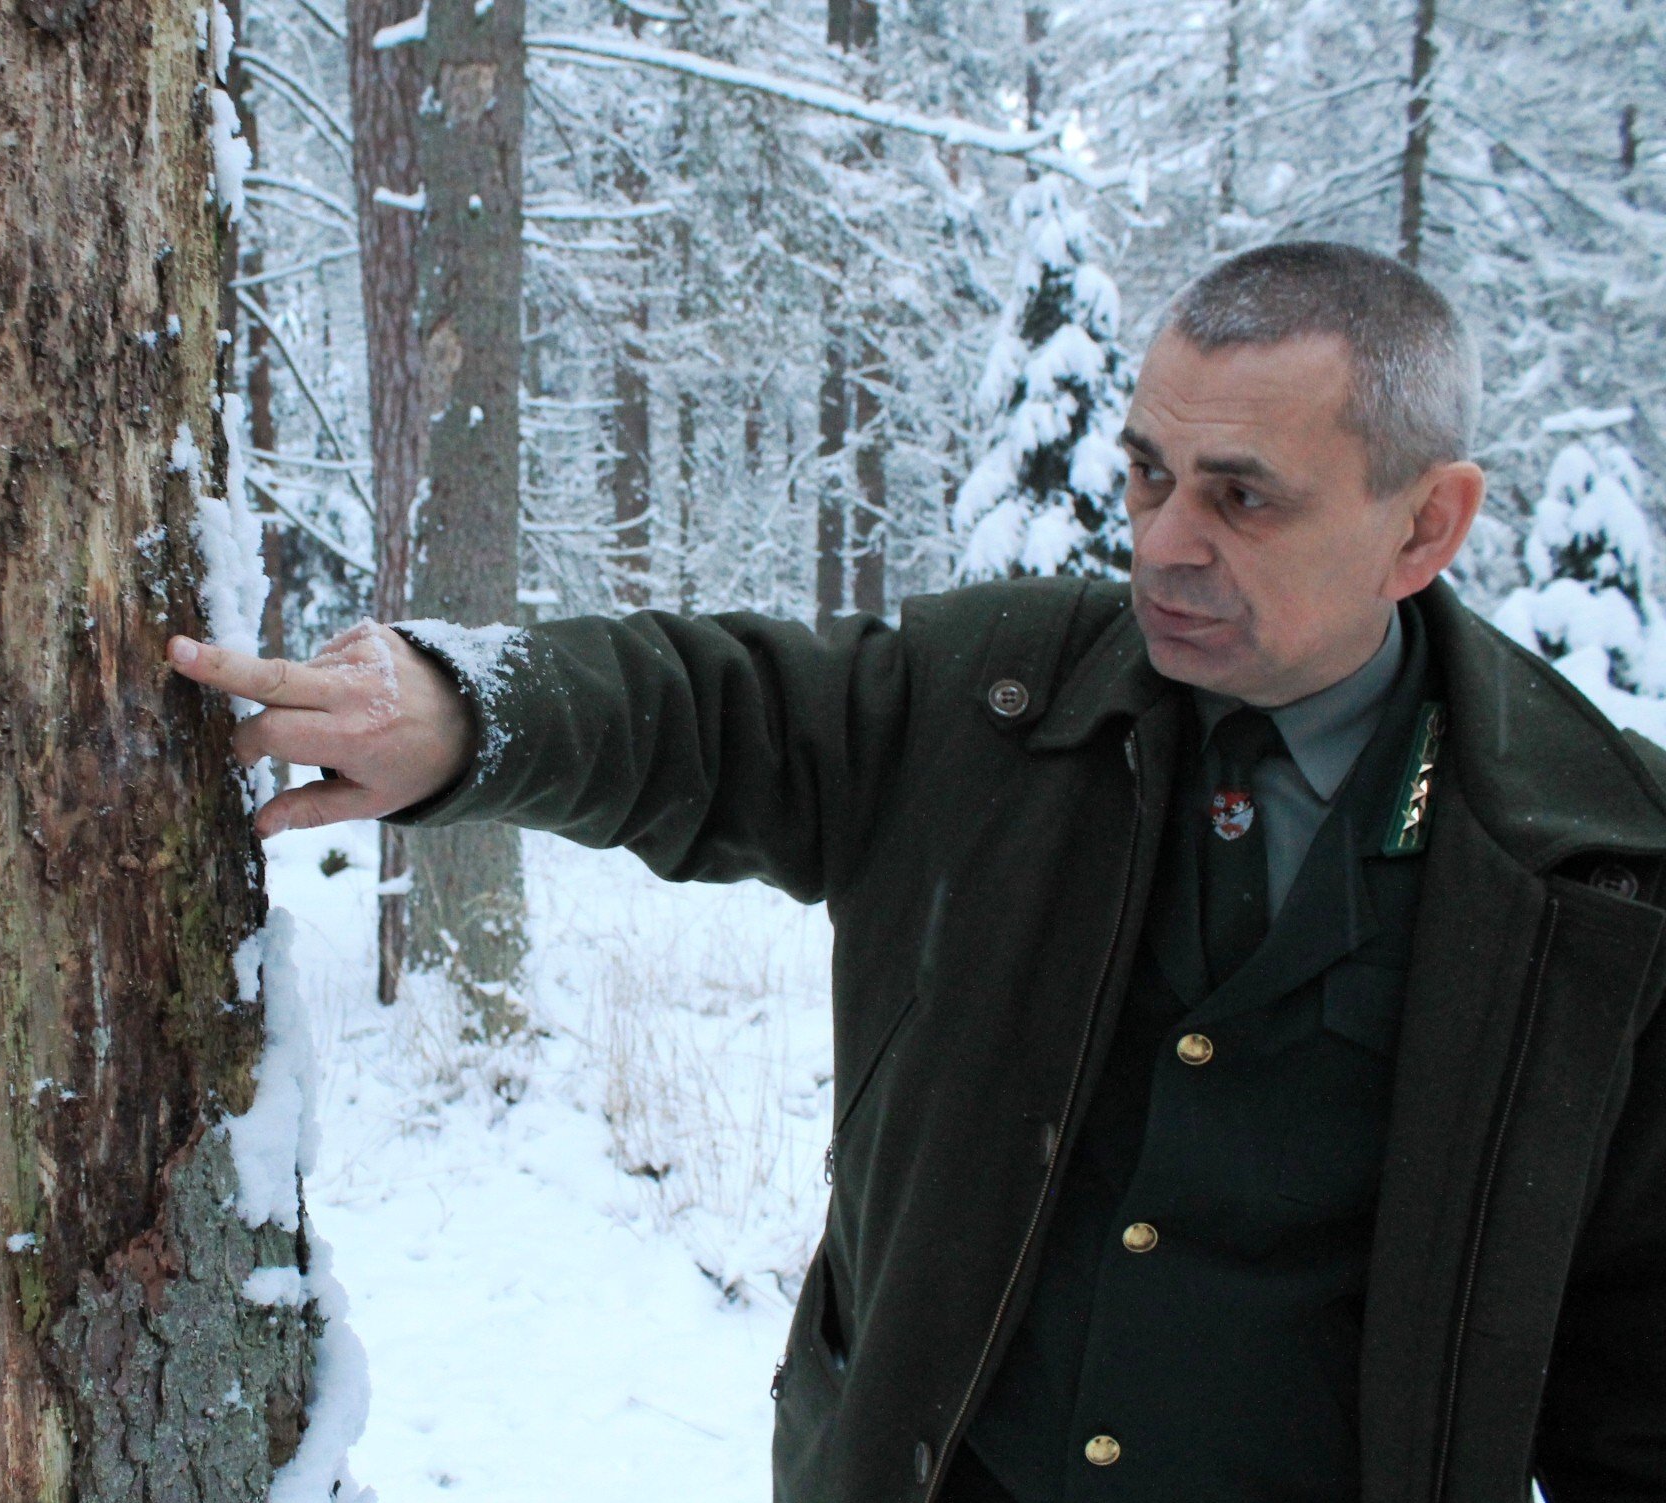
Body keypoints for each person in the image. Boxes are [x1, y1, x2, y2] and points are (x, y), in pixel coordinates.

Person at [167, 243, 1666, 1503]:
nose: (1162, 546)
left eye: (1242, 498)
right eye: (1147, 475)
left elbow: (1635, 1384)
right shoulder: (998, 701)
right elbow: (722, 712)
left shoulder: (1599, 883)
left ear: (1429, 524)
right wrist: (467, 713)